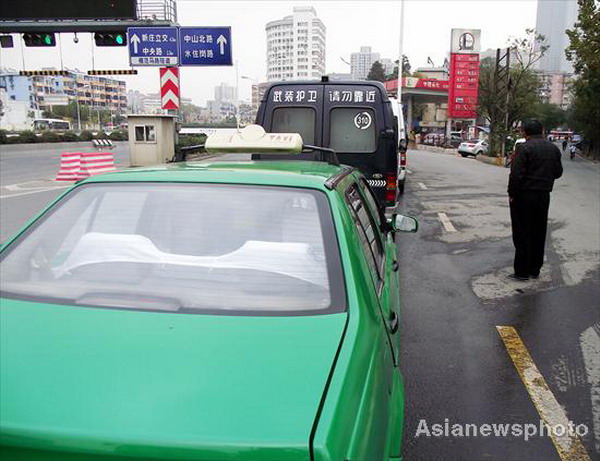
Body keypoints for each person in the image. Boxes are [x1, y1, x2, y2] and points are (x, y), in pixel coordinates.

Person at [508, 119, 563, 281]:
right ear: (543, 131)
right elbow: (558, 172)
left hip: (524, 196)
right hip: (543, 196)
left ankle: (522, 271)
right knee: (539, 232)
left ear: (525, 132)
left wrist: (511, 194)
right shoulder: (553, 149)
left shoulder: (523, 148)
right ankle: (534, 269)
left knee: (522, 233)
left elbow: (516, 175)